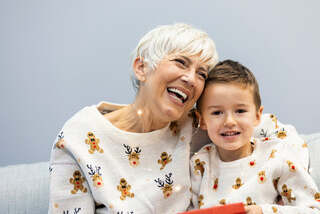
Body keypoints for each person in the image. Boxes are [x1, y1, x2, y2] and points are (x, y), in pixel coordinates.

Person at [48, 23, 219, 214]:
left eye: (201, 74)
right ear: (141, 68)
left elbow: (253, 125)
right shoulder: (79, 136)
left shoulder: (198, 124)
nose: (191, 79)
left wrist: (260, 209)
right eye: (180, 62)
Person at [190, 60, 320, 213]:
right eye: (217, 113)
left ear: (257, 116)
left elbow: (314, 211)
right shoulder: (199, 165)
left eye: (240, 111)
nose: (229, 121)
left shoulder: (276, 155)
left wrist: (263, 211)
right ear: (202, 120)